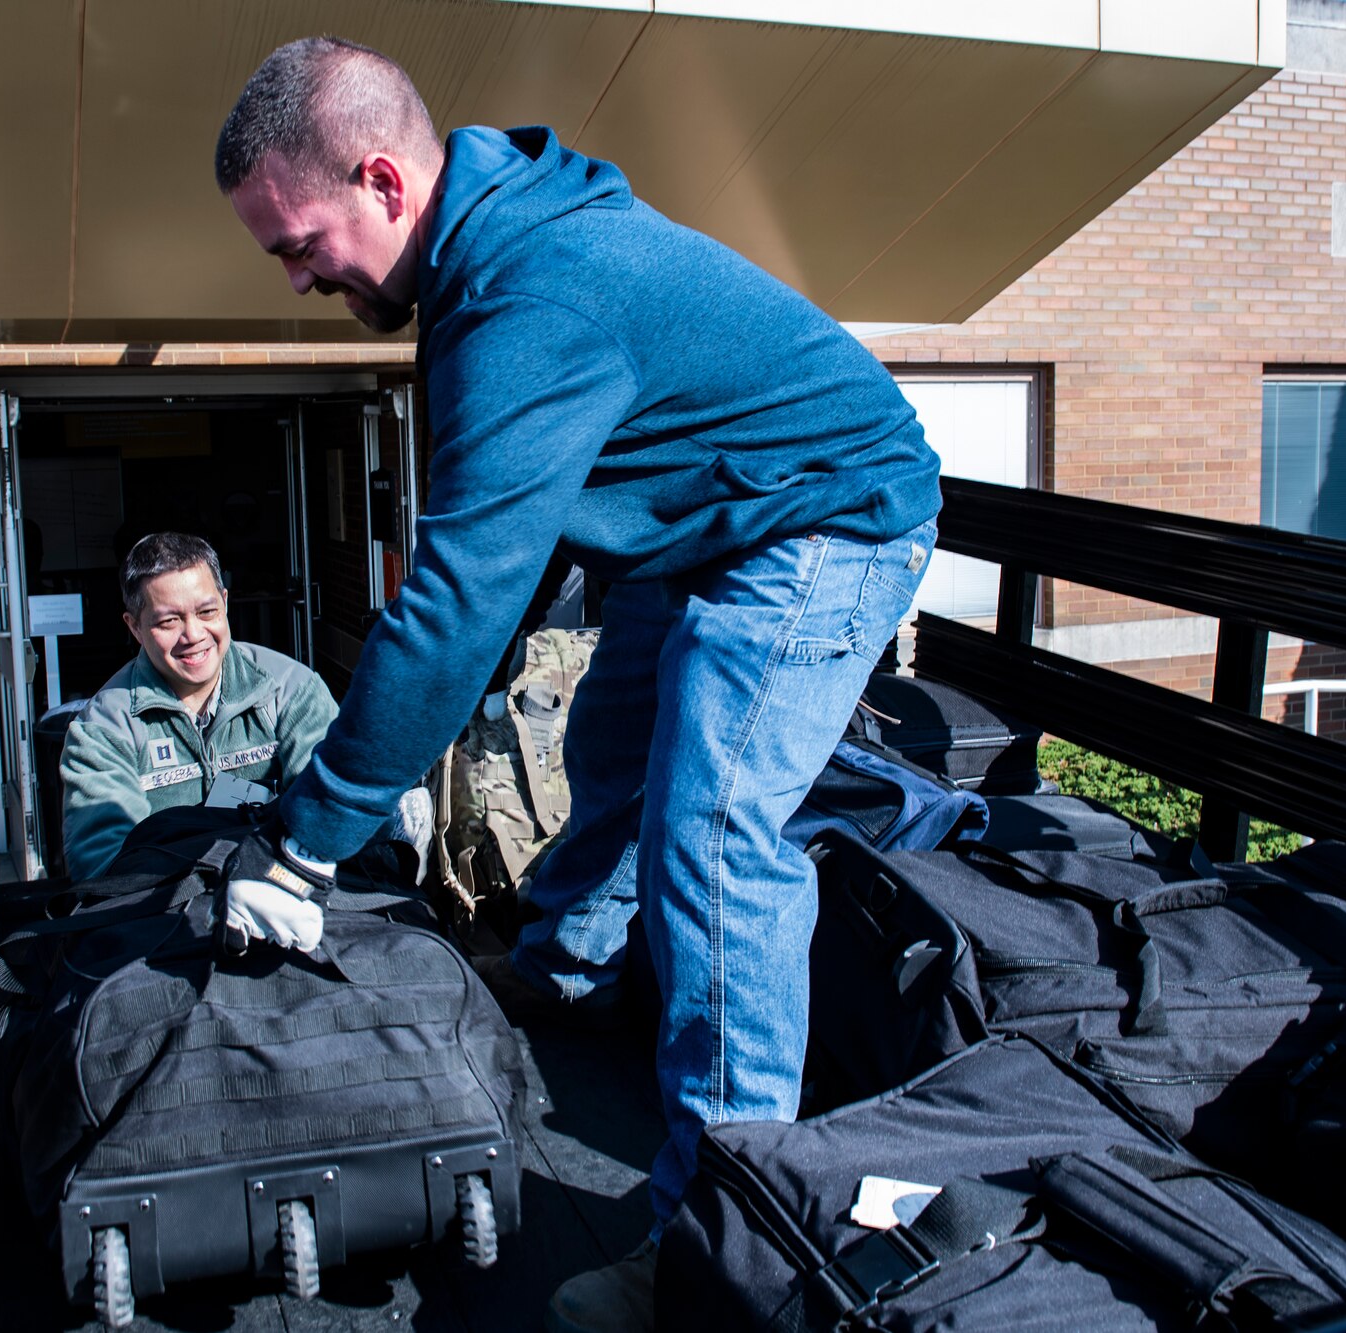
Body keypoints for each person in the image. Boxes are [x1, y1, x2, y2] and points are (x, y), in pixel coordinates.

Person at [214, 37, 942, 1330]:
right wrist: (439, 699)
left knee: (711, 837)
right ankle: (571, 975)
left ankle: (718, 1231)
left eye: (299, 241)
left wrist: (307, 846)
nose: (299, 275)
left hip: (825, 518)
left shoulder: (530, 290)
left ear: (381, 178)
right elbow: (497, 559)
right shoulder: (479, 245)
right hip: (708, 519)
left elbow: (458, 594)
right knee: (611, 749)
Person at [59, 532, 338, 880]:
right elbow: (106, 866)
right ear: (135, 628)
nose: (193, 634)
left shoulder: (292, 691)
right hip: (165, 920)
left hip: (283, 901)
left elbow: (331, 816)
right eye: (168, 621)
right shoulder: (104, 728)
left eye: (207, 612)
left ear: (225, 602)